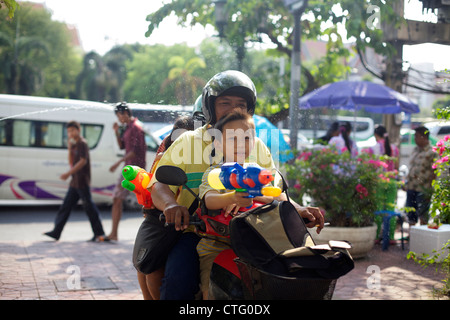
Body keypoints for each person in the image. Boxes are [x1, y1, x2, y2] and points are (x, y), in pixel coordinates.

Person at [148, 70, 324, 300]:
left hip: (253, 231)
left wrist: (298, 209)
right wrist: (171, 206)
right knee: (177, 283)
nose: (233, 109)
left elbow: (275, 188)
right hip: (198, 232)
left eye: (240, 103)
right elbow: (159, 184)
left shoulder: (256, 144)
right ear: (210, 107)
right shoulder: (189, 140)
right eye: (225, 103)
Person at [197, 110, 279, 299]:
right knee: (212, 291)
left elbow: (277, 196)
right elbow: (208, 199)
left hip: (255, 244)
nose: (241, 144)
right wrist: (232, 197)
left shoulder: (257, 172)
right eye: (233, 138)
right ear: (218, 143)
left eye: (248, 138)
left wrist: (254, 196)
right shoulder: (215, 173)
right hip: (217, 245)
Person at [137, 115, 195, 300]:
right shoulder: (165, 156)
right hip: (164, 220)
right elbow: (154, 189)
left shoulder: (204, 156)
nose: (182, 145)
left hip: (189, 224)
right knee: (148, 266)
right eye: (178, 139)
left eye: (187, 140)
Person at [43, 121, 107, 242]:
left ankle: (99, 233)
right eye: (68, 131)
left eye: (73, 130)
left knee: (89, 208)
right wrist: (69, 148)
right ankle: (56, 232)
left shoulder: (82, 143)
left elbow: (83, 161)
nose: (70, 133)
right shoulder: (74, 144)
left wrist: (68, 173)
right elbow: (71, 162)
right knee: (66, 206)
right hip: (74, 182)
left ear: (78, 130)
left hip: (82, 181)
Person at [107, 102, 147, 241]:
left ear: (124, 113)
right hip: (129, 168)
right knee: (118, 199)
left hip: (134, 170)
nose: (119, 119)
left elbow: (135, 151)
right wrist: (116, 131)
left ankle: (114, 234)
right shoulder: (128, 127)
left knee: (146, 203)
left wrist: (118, 162)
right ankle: (114, 233)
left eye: (119, 116)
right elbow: (122, 146)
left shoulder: (136, 128)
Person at [405, 126, 437, 225]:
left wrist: (430, 190)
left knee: (423, 216)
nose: (415, 138)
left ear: (424, 137)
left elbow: (435, 172)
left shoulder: (432, 152)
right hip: (411, 187)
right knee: (411, 215)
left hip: (423, 189)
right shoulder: (415, 150)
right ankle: (412, 237)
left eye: (417, 136)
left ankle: (422, 237)